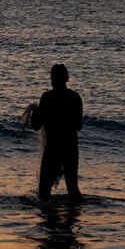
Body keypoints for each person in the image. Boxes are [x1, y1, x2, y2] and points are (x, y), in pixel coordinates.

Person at [31, 63, 83, 199]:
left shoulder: (47, 97)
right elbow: (79, 125)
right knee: (73, 189)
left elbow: (35, 125)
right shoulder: (75, 97)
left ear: (53, 79)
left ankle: (48, 217)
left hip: (52, 149)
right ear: (67, 78)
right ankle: (74, 216)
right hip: (70, 148)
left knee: (44, 192)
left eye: (52, 78)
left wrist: (36, 112)